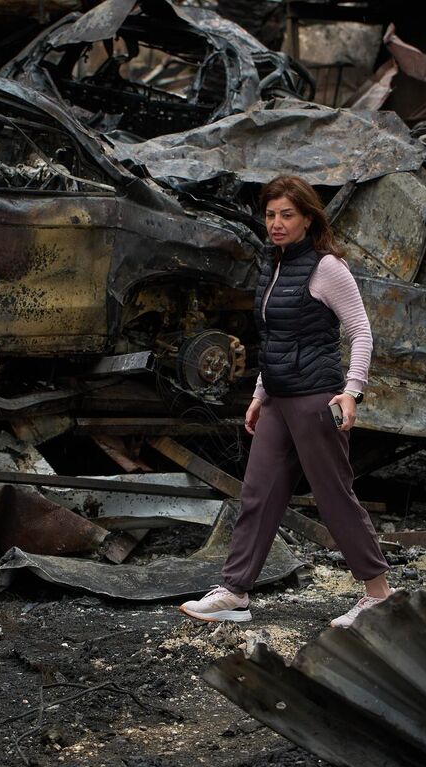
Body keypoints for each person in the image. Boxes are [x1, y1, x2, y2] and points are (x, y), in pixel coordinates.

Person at [178, 175, 392, 629]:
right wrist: (259, 395)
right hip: (277, 398)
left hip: (317, 398)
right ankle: (235, 592)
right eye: (271, 214)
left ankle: (378, 594)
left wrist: (351, 391)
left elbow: (361, 331)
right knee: (257, 493)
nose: (276, 223)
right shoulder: (271, 265)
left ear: (308, 218)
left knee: (334, 495)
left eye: (286, 215)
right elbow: (275, 339)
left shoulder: (327, 267)